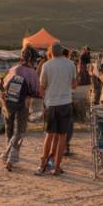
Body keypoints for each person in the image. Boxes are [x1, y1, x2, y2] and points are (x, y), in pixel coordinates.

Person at [36, 42, 77, 176]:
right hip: (66, 103)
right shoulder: (71, 64)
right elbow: (74, 85)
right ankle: (57, 167)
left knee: (49, 135)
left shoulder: (47, 65)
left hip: (51, 104)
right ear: (62, 51)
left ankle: (43, 165)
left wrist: (46, 97)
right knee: (62, 136)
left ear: (51, 52)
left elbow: (41, 88)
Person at [0, 48, 40, 171]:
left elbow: (4, 85)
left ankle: (7, 153)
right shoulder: (32, 73)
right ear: (32, 59)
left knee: (9, 129)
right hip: (23, 104)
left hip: (8, 103)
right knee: (19, 131)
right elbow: (35, 90)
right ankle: (10, 158)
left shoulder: (14, 69)